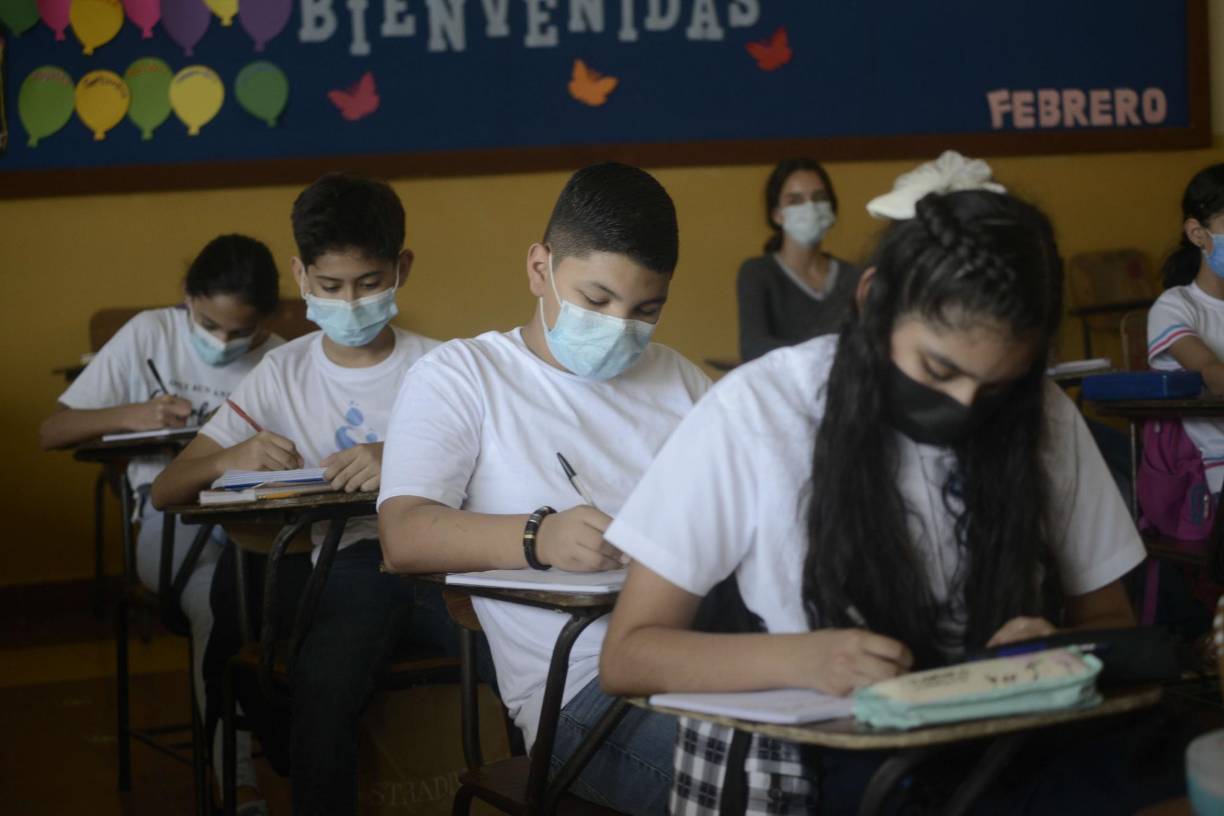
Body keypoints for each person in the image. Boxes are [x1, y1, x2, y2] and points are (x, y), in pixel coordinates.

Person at [599, 187, 1158, 812]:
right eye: (938, 370)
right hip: (831, 752)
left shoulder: (1041, 413)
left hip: (1006, 740)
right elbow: (627, 655)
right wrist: (802, 659)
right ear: (872, 300)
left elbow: (1111, 620)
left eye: (996, 387)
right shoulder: (759, 410)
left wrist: (1054, 648)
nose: (964, 406)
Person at [377, 162, 711, 814]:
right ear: (540, 269)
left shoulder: (683, 383)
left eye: (646, 310)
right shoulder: (464, 377)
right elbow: (404, 536)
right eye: (596, 300)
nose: (620, 325)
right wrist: (541, 535)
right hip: (586, 694)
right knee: (770, 779)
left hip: (716, 657)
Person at [150, 173, 445, 816]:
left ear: (402, 269)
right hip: (350, 564)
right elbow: (167, 490)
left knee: (522, 658)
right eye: (331, 286)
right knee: (324, 683)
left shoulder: (443, 367)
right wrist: (231, 456)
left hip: (445, 562)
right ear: (301, 276)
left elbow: (498, 472)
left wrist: (400, 457)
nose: (351, 302)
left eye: (369, 283)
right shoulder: (282, 372)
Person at [40, 233, 284, 811]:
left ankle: (288, 748)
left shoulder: (279, 357)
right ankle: (236, 776)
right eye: (209, 324)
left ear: (266, 320)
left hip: (256, 521)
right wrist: (136, 415)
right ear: (186, 298)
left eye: (240, 332)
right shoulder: (150, 334)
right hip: (170, 528)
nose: (222, 343)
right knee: (216, 601)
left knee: (284, 593)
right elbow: (53, 431)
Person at [736, 158, 861, 361]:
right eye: (795, 201)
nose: (810, 207)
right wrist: (833, 351)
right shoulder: (758, 273)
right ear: (777, 214)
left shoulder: (853, 276)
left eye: (819, 197)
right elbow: (754, 347)